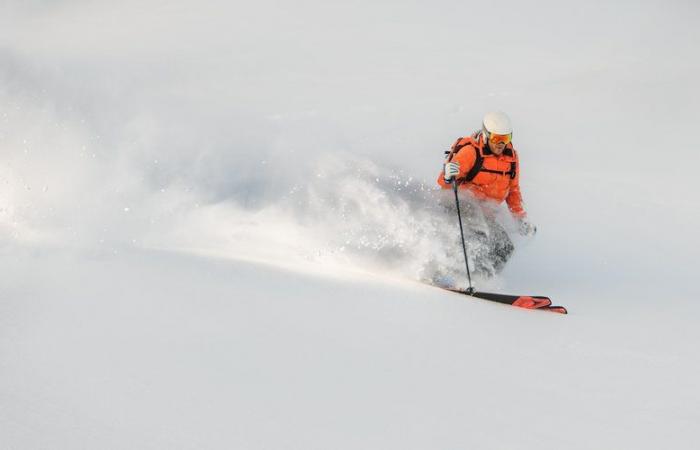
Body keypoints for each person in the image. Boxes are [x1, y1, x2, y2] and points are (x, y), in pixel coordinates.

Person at [437, 111, 536, 275]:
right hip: (461, 205)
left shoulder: (511, 159)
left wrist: (520, 218)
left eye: (506, 138)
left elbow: (513, 190)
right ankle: (454, 272)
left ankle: (482, 279)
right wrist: (448, 176)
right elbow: (444, 182)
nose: (501, 144)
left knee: (504, 248)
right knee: (479, 235)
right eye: (497, 138)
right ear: (486, 134)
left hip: (485, 213)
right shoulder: (471, 152)